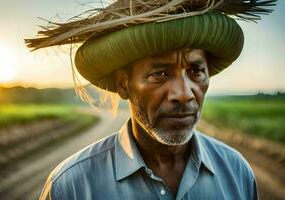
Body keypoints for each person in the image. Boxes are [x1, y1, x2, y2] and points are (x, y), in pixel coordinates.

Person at [26, 1, 277, 199]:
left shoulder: (237, 172)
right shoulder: (71, 187)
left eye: (195, 71)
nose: (184, 94)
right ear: (124, 85)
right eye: (160, 74)